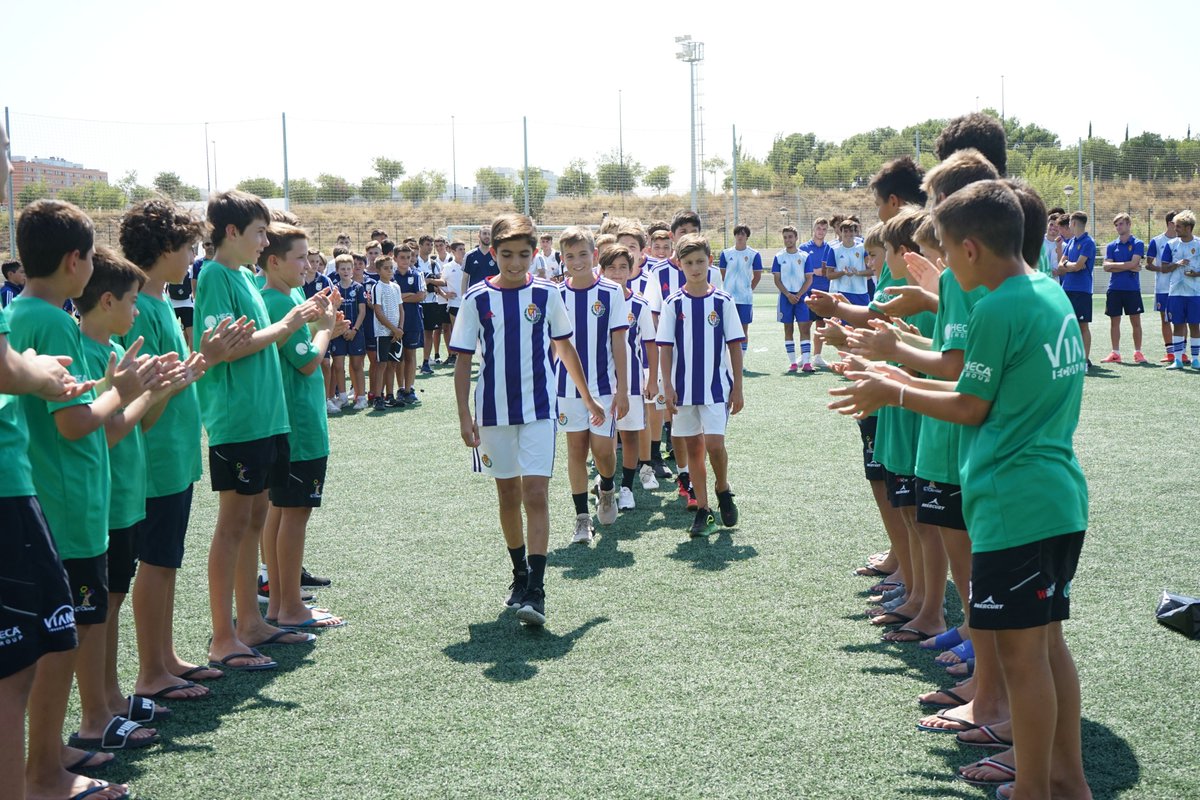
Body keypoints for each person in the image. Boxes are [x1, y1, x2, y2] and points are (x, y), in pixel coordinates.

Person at [830, 179, 1090, 800]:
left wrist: (890, 388)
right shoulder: (1047, 292)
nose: (941, 269)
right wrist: (895, 368)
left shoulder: (998, 306)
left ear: (970, 249)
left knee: (1023, 658)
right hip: (1057, 497)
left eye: (945, 251)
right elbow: (980, 391)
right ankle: (1065, 778)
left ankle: (1035, 788)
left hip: (1013, 503)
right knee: (1049, 646)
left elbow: (971, 406)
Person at [11, 199, 164, 800]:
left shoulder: (23, 312)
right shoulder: (49, 321)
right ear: (77, 262)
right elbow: (75, 425)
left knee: (66, 631)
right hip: (68, 503)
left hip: (53, 496)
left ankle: (49, 751)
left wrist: (118, 387)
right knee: (62, 636)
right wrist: (122, 389)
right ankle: (45, 768)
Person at [117, 197, 249, 701]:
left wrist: (203, 358)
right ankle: (150, 670)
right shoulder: (142, 308)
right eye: (189, 246)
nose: (194, 256)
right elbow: (151, 388)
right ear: (164, 247)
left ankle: (165, 657)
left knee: (167, 560)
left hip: (173, 456)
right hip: (155, 459)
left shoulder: (157, 301)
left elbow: (173, 375)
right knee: (155, 561)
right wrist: (206, 359)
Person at [192, 190, 328, 673]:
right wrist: (289, 323)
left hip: (267, 419)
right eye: (257, 233)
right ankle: (223, 635)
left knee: (253, 521)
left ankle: (251, 622)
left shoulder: (244, 277)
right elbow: (228, 348)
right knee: (232, 526)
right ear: (231, 232)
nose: (263, 242)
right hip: (239, 419)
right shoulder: (214, 276)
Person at [451, 214, 603, 627]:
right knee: (507, 498)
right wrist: (465, 415)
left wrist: (587, 397)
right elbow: (463, 361)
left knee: (535, 494)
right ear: (493, 253)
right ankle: (518, 574)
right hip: (494, 415)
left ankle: (536, 589)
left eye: (522, 254)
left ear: (535, 253)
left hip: (539, 411)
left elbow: (565, 349)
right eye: (506, 255)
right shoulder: (476, 299)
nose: (515, 263)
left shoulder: (548, 294)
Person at [77, 246, 199, 744]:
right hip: (102, 497)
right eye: (131, 301)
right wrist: (142, 390)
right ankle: (96, 715)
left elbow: (138, 420)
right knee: (97, 610)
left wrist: (163, 386)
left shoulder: (108, 351)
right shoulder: (83, 349)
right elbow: (103, 431)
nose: (137, 310)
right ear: (107, 301)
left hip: (125, 491)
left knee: (112, 600)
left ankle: (110, 700)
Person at [257, 223, 347, 633]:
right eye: (300, 257)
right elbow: (309, 361)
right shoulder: (278, 303)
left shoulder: (288, 295)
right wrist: (326, 331)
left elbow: (302, 347)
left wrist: (324, 326)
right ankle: (290, 606)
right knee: (294, 514)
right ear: (274, 261)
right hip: (299, 424)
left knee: (281, 510)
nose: (308, 264)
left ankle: (280, 600)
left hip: (291, 419)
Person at [657, 233, 744, 537]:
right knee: (694, 449)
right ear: (679, 264)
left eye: (701, 261)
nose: (695, 268)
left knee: (715, 445)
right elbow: (664, 348)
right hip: (683, 392)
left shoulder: (722, 301)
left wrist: (738, 387)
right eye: (689, 262)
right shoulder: (672, 303)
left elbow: (734, 346)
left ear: (710, 262)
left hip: (715, 389)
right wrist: (666, 385)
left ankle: (722, 487)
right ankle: (705, 511)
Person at [555, 226, 629, 543]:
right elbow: (551, 348)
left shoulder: (611, 292)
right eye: (570, 256)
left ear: (594, 255)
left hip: (604, 387)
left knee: (602, 452)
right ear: (562, 259)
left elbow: (619, 344)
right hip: (567, 389)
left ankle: (607, 487)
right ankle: (582, 519)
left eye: (583, 254)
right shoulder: (555, 294)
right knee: (575, 449)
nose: (577, 261)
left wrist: (623, 388)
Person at [598, 244, 657, 510]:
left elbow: (651, 344)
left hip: (630, 380)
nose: (618, 273)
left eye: (623, 267)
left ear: (632, 270)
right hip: (598, 380)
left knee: (629, 435)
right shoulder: (594, 300)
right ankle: (605, 481)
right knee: (601, 437)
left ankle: (627, 488)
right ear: (602, 270)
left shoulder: (639, 303)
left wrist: (652, 377)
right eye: (612, 267)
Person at [1100, 212, 1146, 364]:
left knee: (1136, 322)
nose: (1118, 227)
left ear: (1128, 225)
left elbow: (1134, 264)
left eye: (1121, 224)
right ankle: (1115, 353)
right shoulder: (1112, 245)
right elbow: (1106, 267)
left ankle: (1138, 353)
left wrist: (1113, 265)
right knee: (1114, 322)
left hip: (1132, 289)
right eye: (1116, 225)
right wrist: (1128, 266)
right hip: (1115, 289)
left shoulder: (1138, 243)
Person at [1055, 211, 1096, 369]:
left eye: (1070, 223)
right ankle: (1071, 358)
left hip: (1082, 290)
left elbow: (1079, 266)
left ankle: (1084, 361)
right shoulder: (1071, 242)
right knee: (1068, 325)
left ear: (1073, 223)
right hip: (1067, 289)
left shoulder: (1088, 242)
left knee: (1083, 326)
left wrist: (1069, 265)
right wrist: (1069, 265)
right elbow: (1061, 265)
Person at [1162, 209, 1200, 370]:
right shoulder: (1171, 245)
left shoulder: (1198, 244)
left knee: (1195, 325)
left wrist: (1196, 273)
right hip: (1176, 293)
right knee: (1177, 325)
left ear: (1188, 228)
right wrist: (1176, 264)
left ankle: (1196, 360)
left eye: (1178, 226)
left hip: (1195, 293)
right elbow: (1163, 268)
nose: (1175, 229)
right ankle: (1177, 360)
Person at [329, 254, 368, 410]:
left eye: (348, 268)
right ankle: (343, 397)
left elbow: (362, 312)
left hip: (355, 332)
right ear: (337, 270)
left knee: (357, 365)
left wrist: (354, 329)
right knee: (338, 365)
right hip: (338, 332)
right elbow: (332, 311)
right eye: (342, 268)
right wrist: (341, 328)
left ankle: (361, 397)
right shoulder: (334, 289)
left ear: (353, 270)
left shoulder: (358, 288)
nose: (346, 271)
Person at [800, 218, 839, 368]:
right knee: (805, 325)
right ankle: (804, 356)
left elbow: (830, 269)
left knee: (821, 325)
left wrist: (825, 272)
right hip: (808, 291)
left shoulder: (830, 248)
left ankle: (817, 356)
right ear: (813, 229)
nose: (821, 232)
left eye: (824, 229)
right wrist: (814, 272)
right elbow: (801, 270)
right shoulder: (803, 248)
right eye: (818, 228)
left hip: (825, 291)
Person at [718, 224, 762, 358]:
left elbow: (757, 276)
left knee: (743, 329)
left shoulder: (753, 254)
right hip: (728, 298)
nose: (740, 236)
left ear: (747, 236)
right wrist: (729, 288)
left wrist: (748, 289)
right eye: (738, 233)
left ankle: (740, 358)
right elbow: (723, 274)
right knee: (726, 328)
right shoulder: (726, 253)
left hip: (745, 299)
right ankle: (726, 358)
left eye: (743, 234)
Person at [771, 225, 810, 372]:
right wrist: (788, 294)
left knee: (804, 328)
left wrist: (799, 295)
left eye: (790, 237)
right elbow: (777, 279)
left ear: (796, 238)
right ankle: (793, 362)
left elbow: (809, 279)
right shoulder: (779, 257)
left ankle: (806, 362)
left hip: (801, 298)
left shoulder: (805, 256)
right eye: (785, 237)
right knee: (788, 329)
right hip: (785, 298)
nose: (788, 240)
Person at [1145, 211, 1182, 363]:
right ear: (1170, 224)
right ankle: (1170, 352)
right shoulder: (1157, 241)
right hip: (1162, 287)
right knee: (1165, 320)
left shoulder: (1184, 242)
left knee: (1181, 320)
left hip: (1181, 287)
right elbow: (1148, 264)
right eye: (1177, 223)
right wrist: (1163, 269)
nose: (1180, 226)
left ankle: (1182, 352)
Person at [394, 244, 426, 405]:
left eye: (409, 257)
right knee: (398, 357)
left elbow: (421, 296)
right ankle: (400, 388)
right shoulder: (390, 276)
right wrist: (408, 295)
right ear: (395, 258)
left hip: (413, 320)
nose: (406, 260)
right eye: (402, 257)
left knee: (411, 356)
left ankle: (410, 388)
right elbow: (391, 299)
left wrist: (401, 296)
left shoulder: (417, 274)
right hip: (396, 322)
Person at [370, 255, 403, 407]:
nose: (390, 270)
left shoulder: (396, 287)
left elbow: (401, 310)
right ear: (378, 270)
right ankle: (378, 397)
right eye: (386, 268)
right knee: (381, 364)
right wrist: (393, 329)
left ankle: (390, 395)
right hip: (383, 332)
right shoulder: (377, 287)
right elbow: (378, 311)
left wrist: (400, 329)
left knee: (393, 364)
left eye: (391, 267)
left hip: (396, 333)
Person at [416, 235, 446, 373]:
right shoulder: (414, 262)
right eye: (427, 244)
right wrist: (425, 281)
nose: (429, 247)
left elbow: (442, 281)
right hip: (415, 302)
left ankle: (426, 362)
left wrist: (429, 281)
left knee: (429, 332)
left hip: (431, 302)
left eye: (431, 245)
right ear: (420, 245)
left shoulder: (434, 263)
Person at [828, 219, 871, 306]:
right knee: (843, 319)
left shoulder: (862, 248)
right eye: (845, 231)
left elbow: (872, 270)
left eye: (851, 231)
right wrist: (843, 272)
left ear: (855, 232)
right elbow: (829, 275)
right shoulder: (834, 250)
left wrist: (858, 273)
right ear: (841, 233)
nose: (848, 234)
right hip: (842, 292)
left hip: (861, 292)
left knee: (862, 319)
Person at [442, 241, 466, 367]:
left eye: (463, 248)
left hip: (468, 304)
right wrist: (444, 294)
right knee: (456, 330)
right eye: (460, 249)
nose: (462, 251)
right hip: (454, 304)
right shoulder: (447, 267)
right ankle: (455, 356)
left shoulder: (469, 264)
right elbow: (440, 282)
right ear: (453, 251)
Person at [462, 224, 497, 290]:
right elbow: (465, 279)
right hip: (475, 295)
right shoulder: (469, 255)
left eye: (489, 234)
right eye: (484, 233)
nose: (487, 236)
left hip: (493, 294)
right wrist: (464, 297)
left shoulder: (497, 254)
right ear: (479, 236)